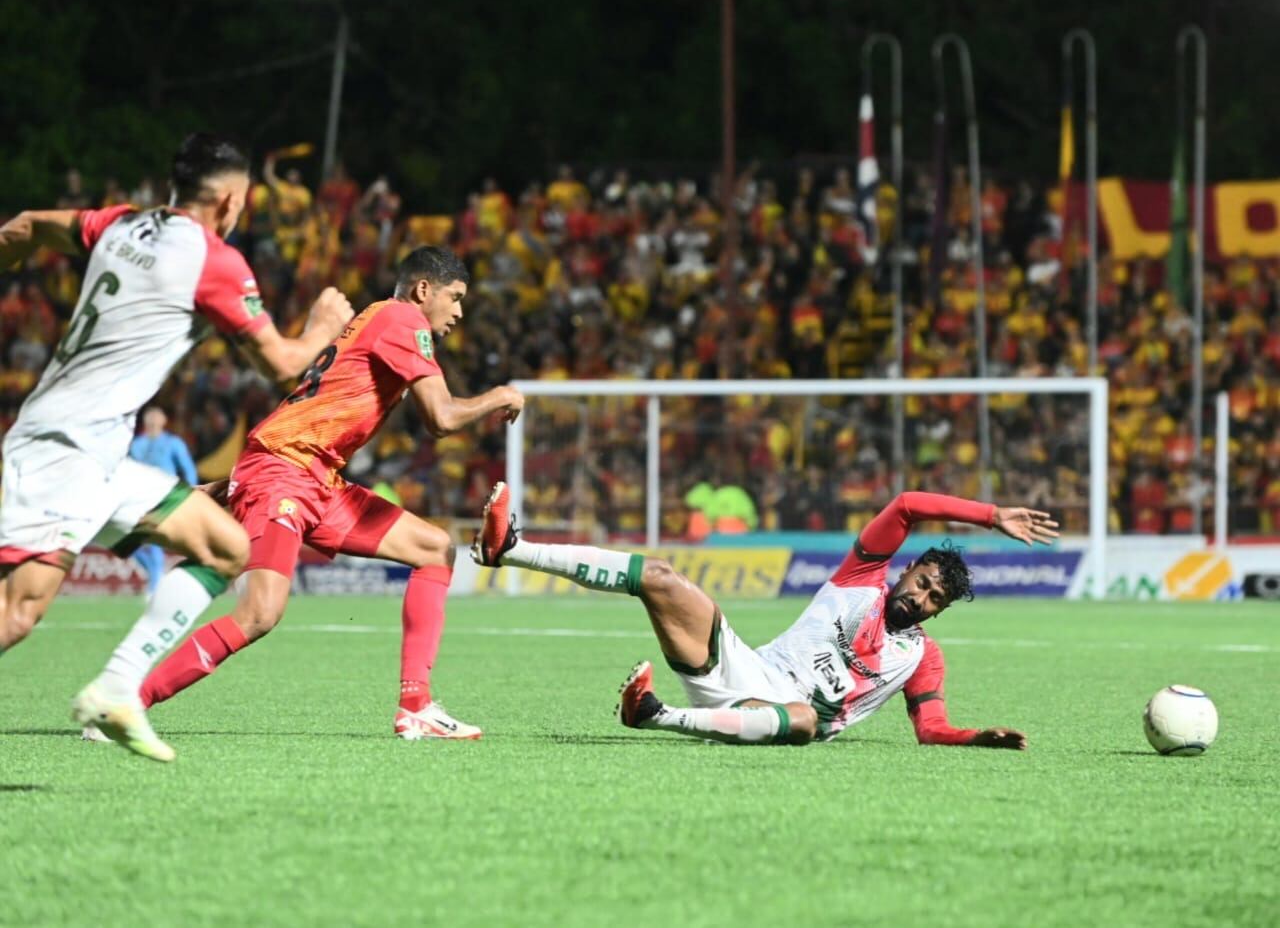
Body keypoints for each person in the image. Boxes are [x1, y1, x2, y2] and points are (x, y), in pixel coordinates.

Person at [0, 133, 353, 761]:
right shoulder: (212, 259)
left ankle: (116, 688)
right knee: (16, 614)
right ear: (225, 201)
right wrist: (324, 326)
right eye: (242, 202)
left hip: (99, 453)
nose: (241, 213)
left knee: (224, 546)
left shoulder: (117, 223)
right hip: (62, 450)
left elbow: (26, 226)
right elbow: (281, 367)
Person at [138, 246, 525, 740]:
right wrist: (501, 395)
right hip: (286, 471)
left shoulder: (376, 320)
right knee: (259, 613)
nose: (460, 312)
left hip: (313, 476)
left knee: (432, 548)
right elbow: (442, 419)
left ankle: (417, 706)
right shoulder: (405, 319)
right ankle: (128, 699)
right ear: (424, 289)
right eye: (456, 297)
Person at [473, 485, 1057, 747]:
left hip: (782, 717)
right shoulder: (861, 577)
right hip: (742, 669)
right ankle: (513, 550)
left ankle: (655, 716)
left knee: (804, 719)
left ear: (941, 612)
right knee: (660, 576)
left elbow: (930, 729)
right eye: (922, 582)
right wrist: (988, 514)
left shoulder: (921, 658)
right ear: (905, 570)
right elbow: (905, 505)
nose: (921, 598)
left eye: (935, 600)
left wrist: (976, 739)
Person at [128, 407, 199, 596]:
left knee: (154, 539)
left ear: (163, 422)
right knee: (128, 542)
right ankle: (155, 573)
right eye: (149, 420)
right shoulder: (137, 444)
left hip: (164, 495)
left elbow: (188, 468)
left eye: (155, 420)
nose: (152, 424)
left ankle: (154, 586)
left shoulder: (173, 443)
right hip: (140, 498)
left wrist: (191, 493)